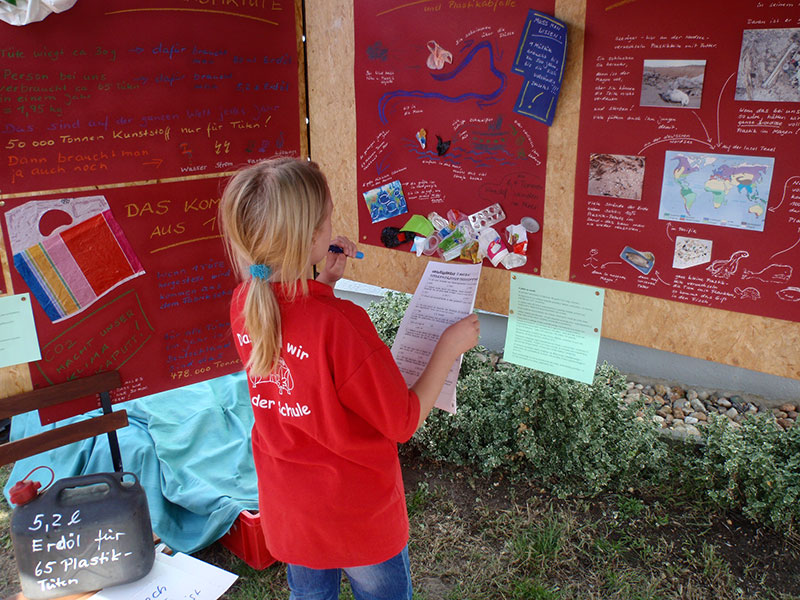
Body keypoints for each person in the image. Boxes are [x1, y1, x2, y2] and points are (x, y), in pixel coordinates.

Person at [218, 157, 480, 600]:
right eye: (328, 217)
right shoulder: (341, 324)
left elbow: (300, 346)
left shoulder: (245, 302)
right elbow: (403, 421)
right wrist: (448, 348)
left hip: (291, 509)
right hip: (356, 516)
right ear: (312, 238)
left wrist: (324, 284)